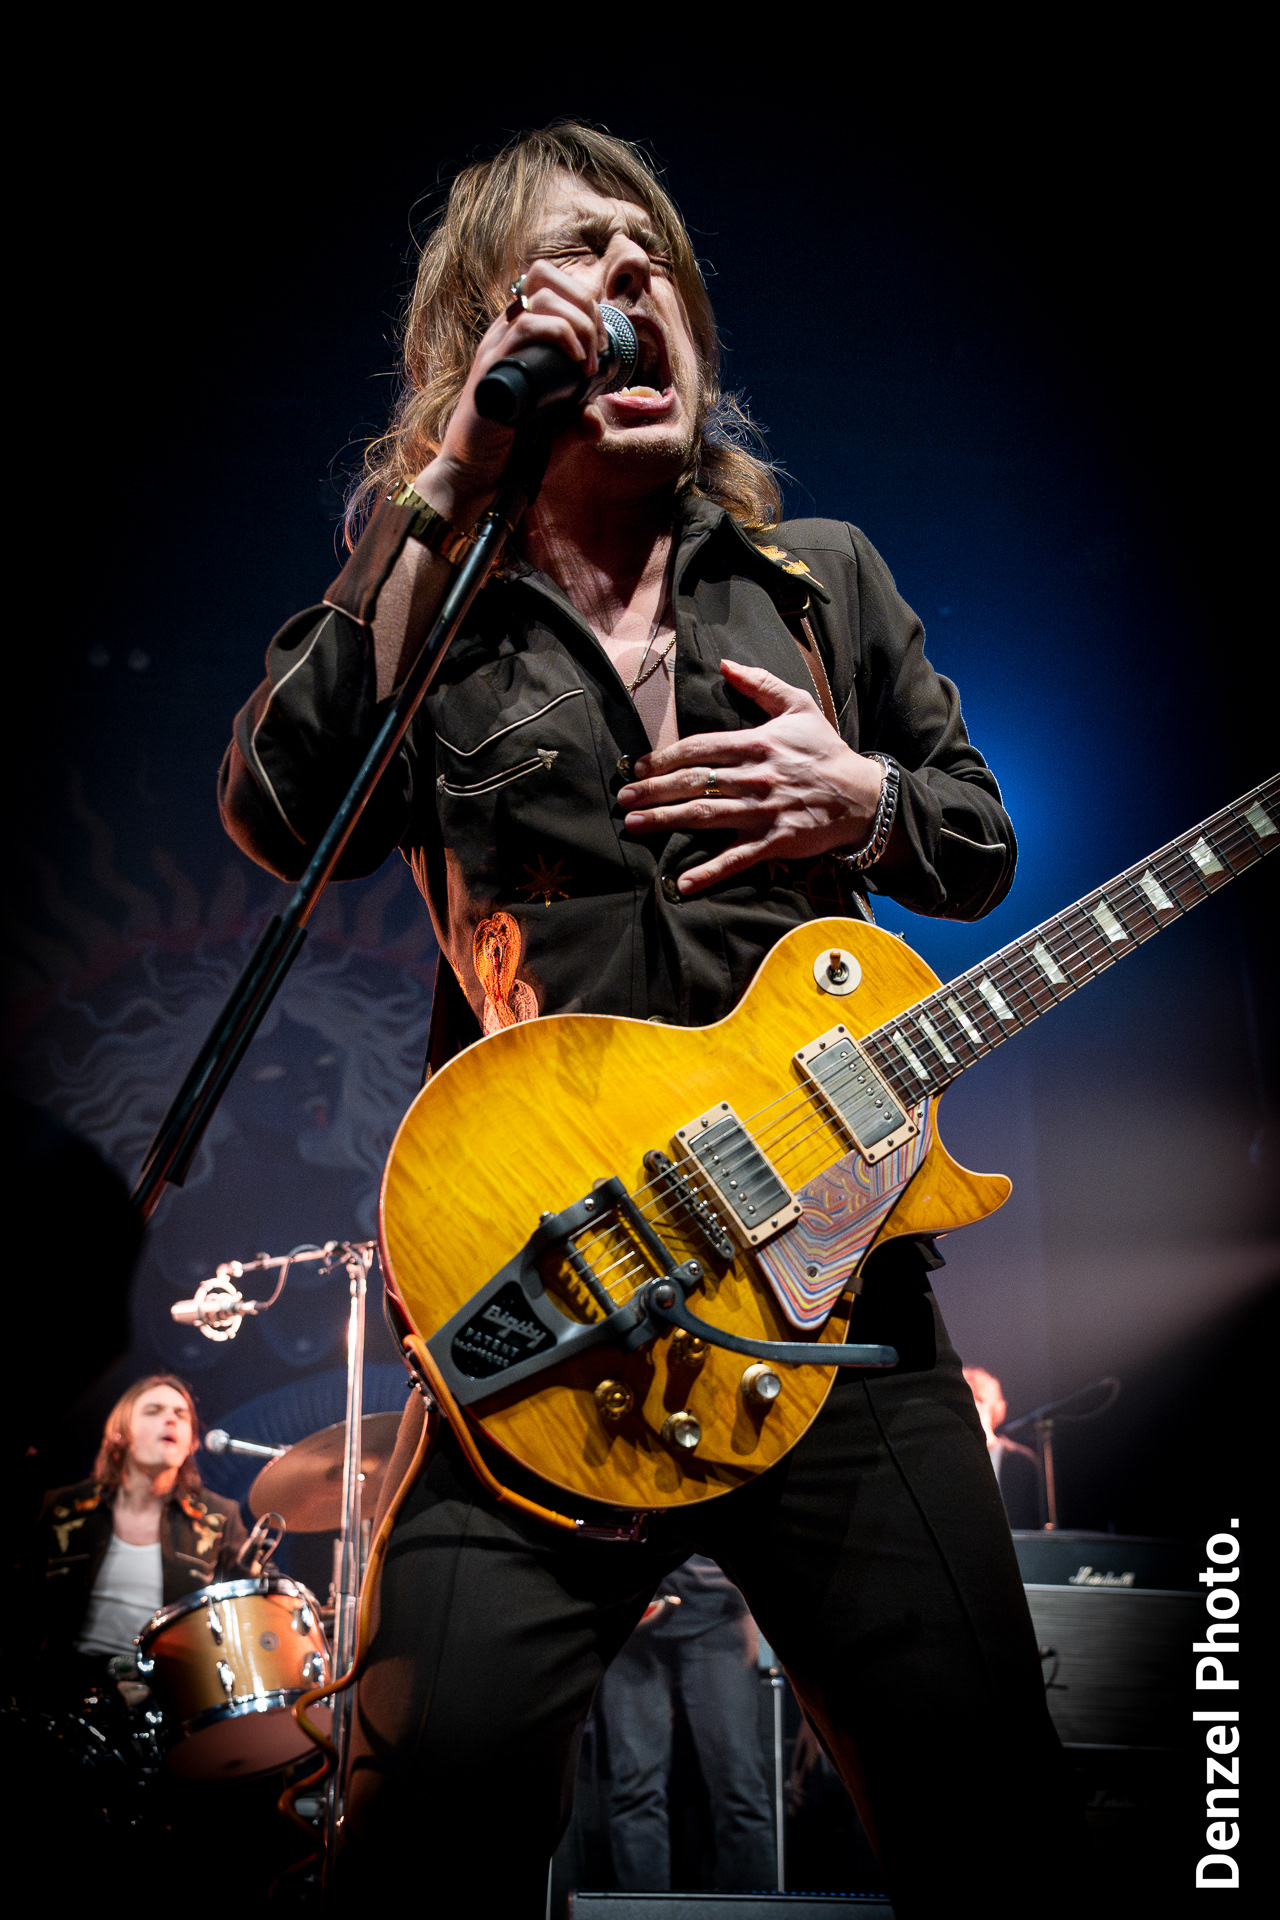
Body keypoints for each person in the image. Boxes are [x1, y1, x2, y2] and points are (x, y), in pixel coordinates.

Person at [220, 122, 1082, 1916]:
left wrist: (866, 802)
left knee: (995, 1825)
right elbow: (287, 812)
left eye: (649, 258)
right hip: (551, 1314)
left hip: (833, 1310)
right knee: (419, 1839)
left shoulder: (817, 579)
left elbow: (978, 839)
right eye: (573, 263)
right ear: (488, 339)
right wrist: (444, 486)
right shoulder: (440, 621)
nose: (629, 281)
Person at [24, 1373, 247, 1704]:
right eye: (153, 1411)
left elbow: (251, 1609)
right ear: (120, 1433)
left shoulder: (220, 1517)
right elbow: (20, 1607)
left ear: (191, 1441)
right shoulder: (62, 1507)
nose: (170, 1419)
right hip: (61, 1695)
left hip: (169, 1699)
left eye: (181, 1414)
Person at [592, 1555, 775, 1891]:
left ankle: (754, 1909)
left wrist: (753, 1605)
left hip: (717, 1611)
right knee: (634, 1788)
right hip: (628, 1609)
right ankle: (643, 1912)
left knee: (740, 1787)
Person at [964, 1364, 1043, 1529]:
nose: (971, 1409)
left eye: (978, 1400)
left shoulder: (1023, 1461)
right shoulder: (947, 1460)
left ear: (992, 1406)